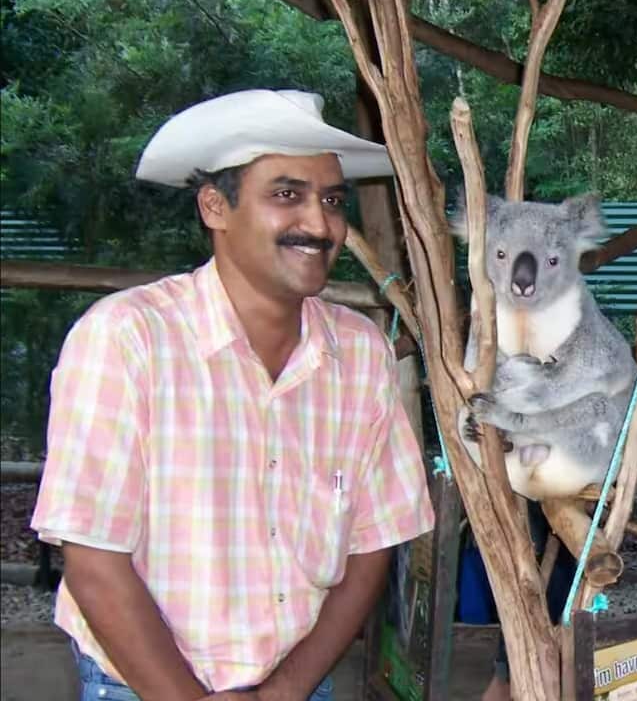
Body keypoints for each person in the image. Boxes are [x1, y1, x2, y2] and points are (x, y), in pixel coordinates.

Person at [30, 89, 435, 701]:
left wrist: (288, 689)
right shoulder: (128, 339)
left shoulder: (359, 354)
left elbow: (373, 542)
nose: (319, 223)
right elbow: (93, 559)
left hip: (298, 684)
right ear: (216, 207)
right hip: (139, 687)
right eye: (286, 195)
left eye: (331, 200)